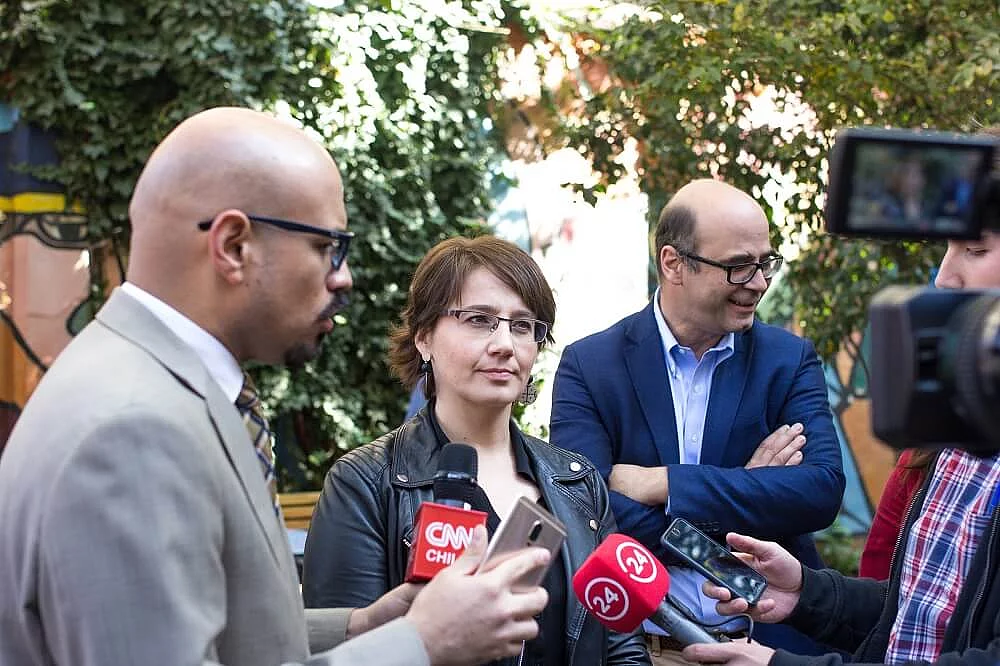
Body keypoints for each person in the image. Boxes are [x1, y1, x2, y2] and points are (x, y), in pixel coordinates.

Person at [0, 107, 550, 666]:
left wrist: (365, 625)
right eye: (327, 247)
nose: (343, 276)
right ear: (233, 246)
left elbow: (224, 632)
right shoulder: (132, 428)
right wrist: (422, 643)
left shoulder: (142, 384)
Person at [302, 235, 650, 665]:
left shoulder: (577, 482)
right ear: (424, 337)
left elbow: (620, 646)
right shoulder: (366, 482)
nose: (505, 344)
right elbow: (347, 651)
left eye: (522, 326)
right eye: (479, 320)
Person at [550, 178, 845, 661]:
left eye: (765, 262)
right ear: (673, 263)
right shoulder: (591, 365)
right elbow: (586, 512)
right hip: (637, 651)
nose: (758, 282)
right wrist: (747, 490)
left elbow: (820, 492)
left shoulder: (787, 360)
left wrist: (667, 484)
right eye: (738, 266)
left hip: (765, 649)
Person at [859, 222, 1000, 581]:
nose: (943, 278)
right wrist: (809, 590)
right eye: (946, 248)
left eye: (975, 249)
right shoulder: (940, 435)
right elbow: (892, 593)